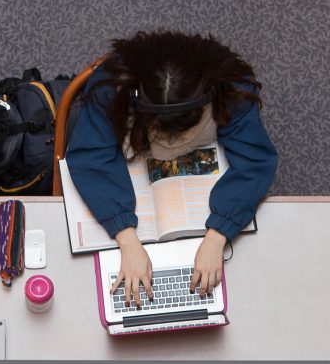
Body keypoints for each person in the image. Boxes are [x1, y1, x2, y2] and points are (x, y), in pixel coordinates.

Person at [65, 30, 278, 306]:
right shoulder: (111, 85)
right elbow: (91, 156)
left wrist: (218, 236)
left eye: (182, 132)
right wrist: (127, 239)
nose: (172, 143)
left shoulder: (233, 87)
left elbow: (256, 161)